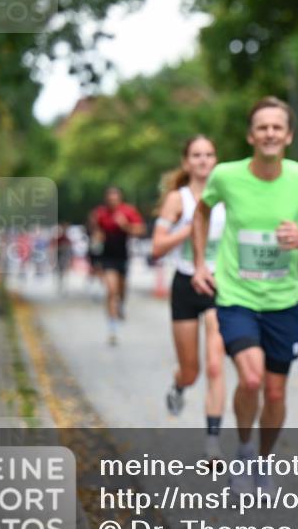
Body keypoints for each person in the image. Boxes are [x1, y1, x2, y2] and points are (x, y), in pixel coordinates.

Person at [191, 96, 298, 493]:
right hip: (236, 297)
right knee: (252, 378)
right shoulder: (225, 176)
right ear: (250, 135)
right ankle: (242, 450)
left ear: (288, 135)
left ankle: (262, 461)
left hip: (285, 302)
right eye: (262, 127)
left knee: (275, 390)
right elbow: (202, 211)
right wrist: (200, 264)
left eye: (277, 127)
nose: (270, 133)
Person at [152, 135, 228, 460]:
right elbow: (157, 246)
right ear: (186, 162)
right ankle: (179, 385)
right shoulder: (177, 199)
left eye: (209, 154)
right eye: (196, 155)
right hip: (185, 283)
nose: (203, 160)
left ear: (216, 160)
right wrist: (193, 225)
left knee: (215, 366)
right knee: (192, 370)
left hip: (218, 285)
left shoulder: (228, 197)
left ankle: (212, 441)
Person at [89, 187, 146, 345]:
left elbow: (141, 230)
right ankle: (112, 328)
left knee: (121, 290)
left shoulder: (127, 211)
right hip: (107, 257)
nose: (112, 202)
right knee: (111, 290)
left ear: (120, 199)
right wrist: (96, 234)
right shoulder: (100, 213)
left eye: (115, 199)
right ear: (106, 200)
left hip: (123, 255)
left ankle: (121, 304)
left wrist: (125, 226)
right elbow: (94, 231)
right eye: (110, 200)